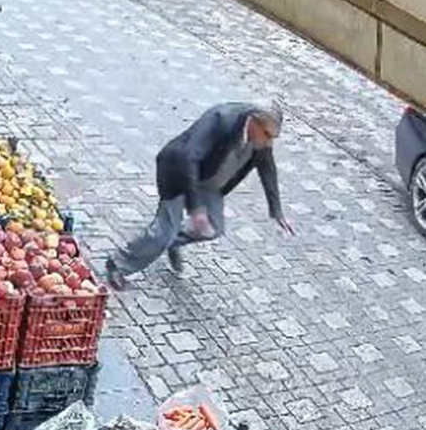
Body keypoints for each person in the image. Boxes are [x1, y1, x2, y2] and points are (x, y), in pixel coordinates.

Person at [105, 101, 295, 290]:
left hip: (210, 181)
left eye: (273, 137)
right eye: (267, 135)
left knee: (214, 227)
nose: (269, 142)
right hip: (180, 172)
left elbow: (267, 168)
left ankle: (172, 241)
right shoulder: (221, 118)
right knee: (163, 232)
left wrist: (276, 211)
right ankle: (118, 264)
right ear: (253, 121)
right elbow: (188, 157)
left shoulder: (260, 140)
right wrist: (196, 209)